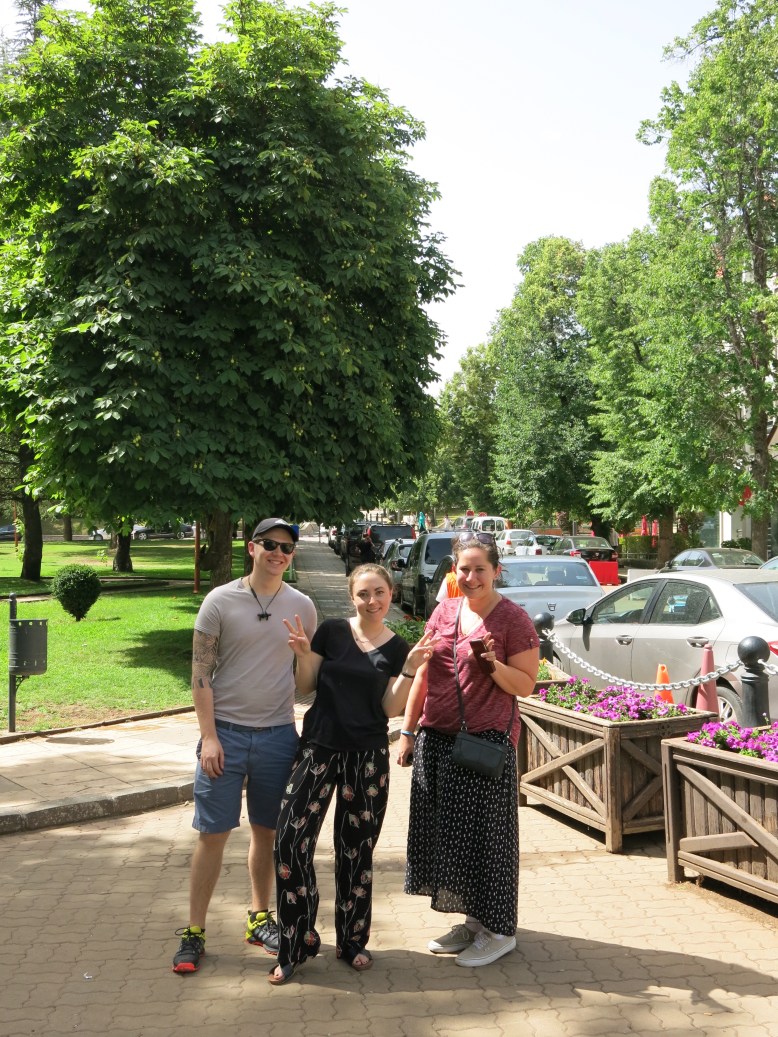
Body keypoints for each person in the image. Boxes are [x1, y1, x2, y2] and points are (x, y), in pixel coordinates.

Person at [268, 564, 435, 985]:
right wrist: (302, 654)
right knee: (289, 843)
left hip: (366, 758)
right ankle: (296, 942)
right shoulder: (332, 632)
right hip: (318, 749)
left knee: (356, 852)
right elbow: (307, 686)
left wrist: (410, 669)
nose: (372, 601)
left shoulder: (398, 647)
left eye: (379, 592)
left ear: (391, 594)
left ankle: (352, 941)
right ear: (351, 596)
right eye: (363, 593)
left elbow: (389, 708)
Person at [172, 518, 317, 974]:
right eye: (270, 544)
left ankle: (259, 918)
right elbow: (200, 673)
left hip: (278, 735)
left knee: (267, 832)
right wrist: (209, 737)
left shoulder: (302, 606)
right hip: (226, 736)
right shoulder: (219, 600)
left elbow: (307, 682)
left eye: (287, 548)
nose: (279, 553)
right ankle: (194, 932)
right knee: (212, 834)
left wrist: (303, 657)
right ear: (252, 548)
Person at [396, 530, 539, 968]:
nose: (471, 577)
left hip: (485, 742)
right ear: (453, 572)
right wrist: (407, 731)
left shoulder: (514, 620)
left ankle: (500, 930)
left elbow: (525, 686)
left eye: (480, 569)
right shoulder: (444, 611)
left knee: (488, 841)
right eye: (464, 569)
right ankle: (475, 922)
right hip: (437, 739)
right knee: (452, 839)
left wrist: (492, 666)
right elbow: (424, 673)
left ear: (497, 571)